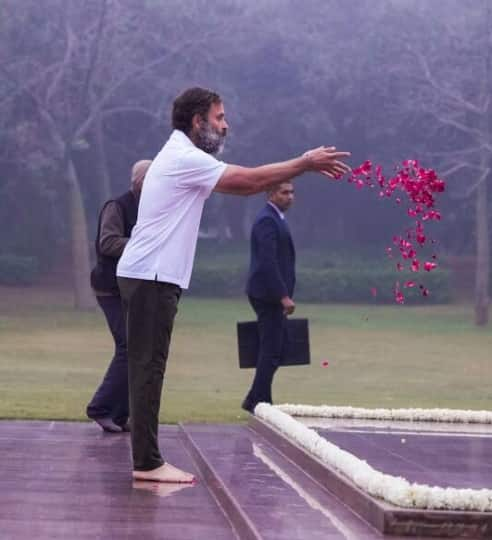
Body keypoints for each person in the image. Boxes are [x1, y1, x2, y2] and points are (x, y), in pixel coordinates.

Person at [116, 87, 350, 483]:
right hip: (150, 277)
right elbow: (246, 182)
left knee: (149, 367)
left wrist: (298, 167)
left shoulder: (181, 156)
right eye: (220, 117)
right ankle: (147, 463)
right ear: (197, 121)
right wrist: (304, 163)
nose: (226, 125)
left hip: (153, 277)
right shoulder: (183, 157)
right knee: (147, 369)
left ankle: (147, 461)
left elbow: (243, 184)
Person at [87, 160, 151, 433]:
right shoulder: (117, 206)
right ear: (138, 182)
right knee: (127, 346)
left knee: (136, 349)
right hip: (110, 288)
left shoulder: (152, 209)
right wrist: (144, 243)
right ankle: (100, 409)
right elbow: (108, 242)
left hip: (131, 289)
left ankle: (121, 414)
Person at [242, 182, 296, 414]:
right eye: (285, 192)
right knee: (272, 350)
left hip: (269, 294)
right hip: (268, 295)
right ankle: (258, 401)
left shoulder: (276, 218)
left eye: (292, 192)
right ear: (271, 194)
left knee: (275, 348)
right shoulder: (267, 220)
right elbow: (268, 261)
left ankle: (258, 398)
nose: (290, 197)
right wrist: (282, 295)